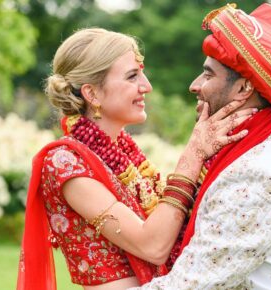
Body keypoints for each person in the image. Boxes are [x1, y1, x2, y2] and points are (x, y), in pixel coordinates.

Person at [16, 28, 256, 290]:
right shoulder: (64, 163)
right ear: (92, 93)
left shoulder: (122, 152)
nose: (147, 86)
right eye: (132, 76)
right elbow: (152, 246)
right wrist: (193, 155)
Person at [130, 3, 271, 290]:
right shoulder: (259, 157)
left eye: (208, 74)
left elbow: (186, 286)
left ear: (243, 89)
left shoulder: (258, 175)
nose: (194, 85)